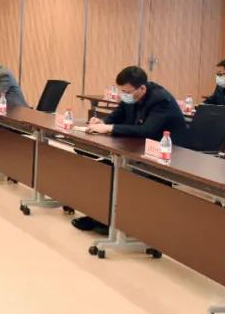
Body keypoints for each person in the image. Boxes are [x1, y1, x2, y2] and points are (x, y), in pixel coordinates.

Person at [76, 66, 187, 232]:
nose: (124, 95)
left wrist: (109, 128)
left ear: (142, 88)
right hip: (140, 147)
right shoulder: (132, 96)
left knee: (121, 173)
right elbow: (119, 113)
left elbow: (147, 130)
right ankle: (99, 216)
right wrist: (103, 122)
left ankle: (114, 221)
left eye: (127, 92)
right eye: (122, 91)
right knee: (105, 168)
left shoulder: (161, 100)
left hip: (165, 153)